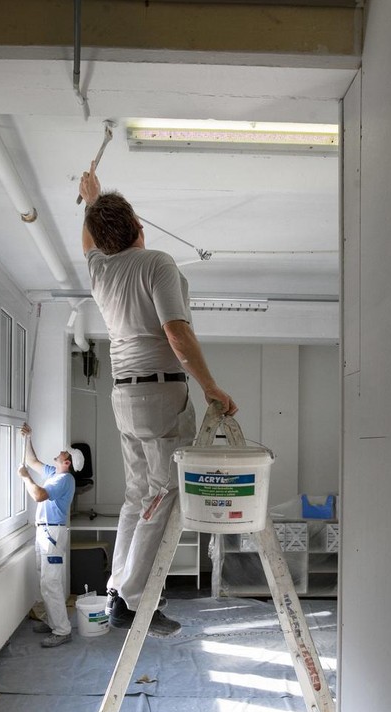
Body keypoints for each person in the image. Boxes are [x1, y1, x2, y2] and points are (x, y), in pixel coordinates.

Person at [78, 161, 238, 639]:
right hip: (160, 393)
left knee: (137, 497)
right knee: (165, 495)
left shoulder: (100, 271)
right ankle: (130, 598)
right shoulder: (157, 263)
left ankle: (116, 589)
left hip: (123, 395)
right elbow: (176, 332)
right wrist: (212, 387)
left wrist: (91, 202)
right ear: (140, 229)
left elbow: (88, 242)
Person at [18, 424, 84, 648]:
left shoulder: (62, 480)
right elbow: (32, 461)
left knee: (51, 582)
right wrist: (28, 438)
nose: (61, 451)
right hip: (44, 531)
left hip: (52, 534)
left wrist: (26, 478)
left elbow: (38, 495)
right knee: (43, 577)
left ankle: (62, 630)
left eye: (65, 453)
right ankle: (51, 620)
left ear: (67, 462)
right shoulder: (54, 473)